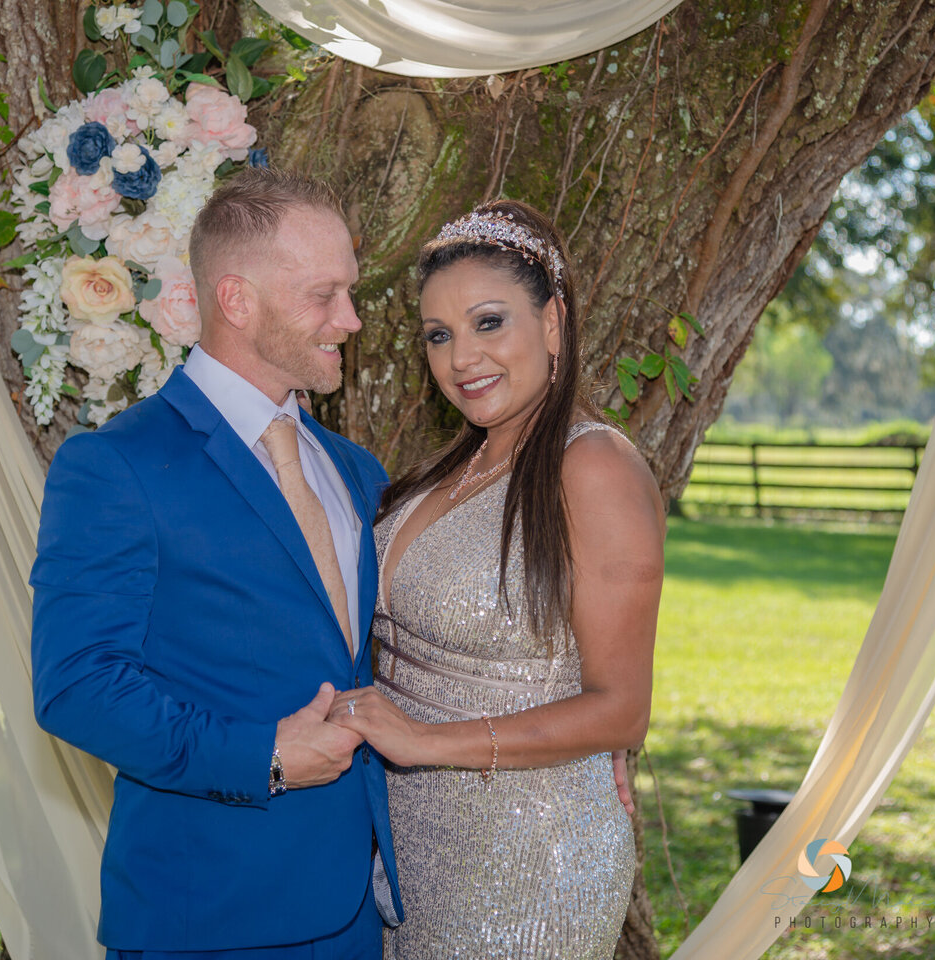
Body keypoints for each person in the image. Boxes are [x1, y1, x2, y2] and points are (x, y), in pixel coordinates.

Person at [29, 167, 403, 959]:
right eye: (325, 295)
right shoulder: (115, 467)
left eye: (352, 292)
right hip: (210, 920)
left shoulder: (356, 470)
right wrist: (262, 756)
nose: (353, 319)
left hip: (362, 913)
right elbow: (78, 685)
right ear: (237, 300)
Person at [329, 199, 666, 959]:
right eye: (438, 336)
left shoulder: (593, 466)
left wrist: (421, 739)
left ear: (552, 324)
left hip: (528, 855)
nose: (460, 359)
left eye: (489, 323)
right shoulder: (452, 466)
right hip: (412, 844)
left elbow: (622, 712)